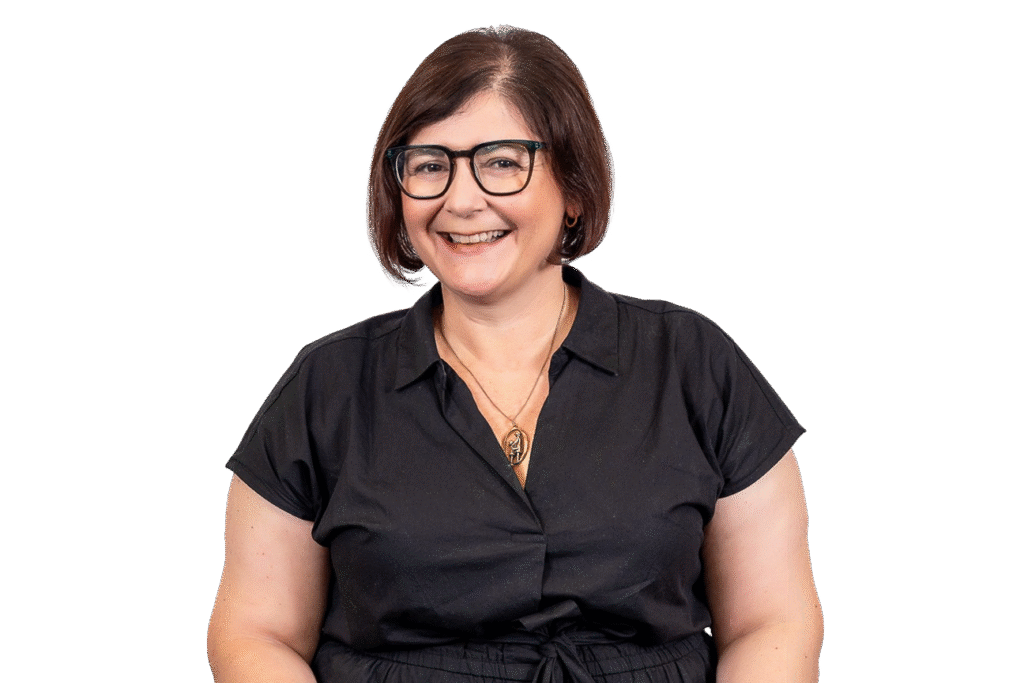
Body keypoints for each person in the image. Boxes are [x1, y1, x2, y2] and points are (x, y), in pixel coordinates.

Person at [207, 24, 824, 683]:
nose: (462, 199)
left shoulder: (697, 363)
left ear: (575, 189)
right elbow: (254, 632)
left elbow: (774, 619)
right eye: (429, 165)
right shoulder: (325, 385)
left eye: (502, 161)